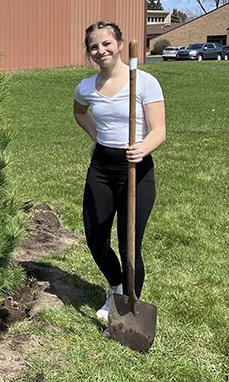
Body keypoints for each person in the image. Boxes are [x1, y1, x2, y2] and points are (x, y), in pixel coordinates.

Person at [73, 21, 166, 325]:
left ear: (120, 44)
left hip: (136, 170)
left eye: (106, 43)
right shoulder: (86, 87)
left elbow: (159, 131)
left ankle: (128, 311)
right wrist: (97, 137)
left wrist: (143, 148)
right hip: (101, 167)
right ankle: (116, 286)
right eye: (94, 46)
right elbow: (79, 112)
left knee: (129, 245)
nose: (101, 51)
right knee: (96, 238)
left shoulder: (144, 82)